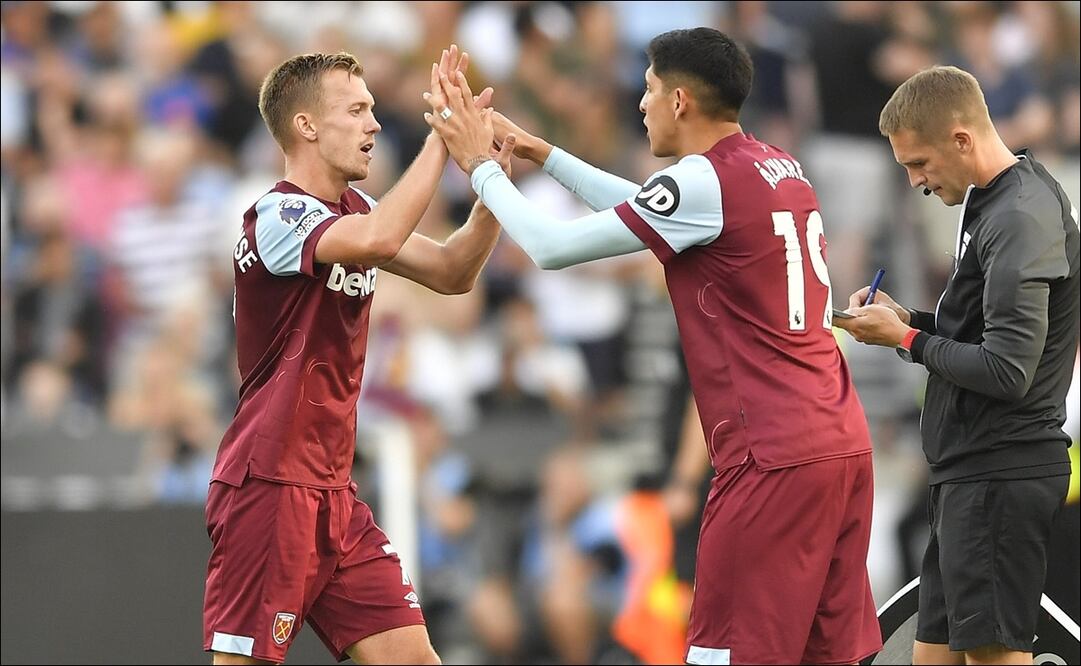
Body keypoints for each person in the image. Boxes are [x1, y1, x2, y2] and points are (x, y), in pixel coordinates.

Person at [426, 27, 882, 665]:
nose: (639, 104)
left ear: (679, 102)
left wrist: (479, 168)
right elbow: (651, 211)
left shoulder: (700, 182)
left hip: (769, 455)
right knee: (827, 655)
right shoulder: (777, 165)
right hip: (840, 441)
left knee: (725, 655)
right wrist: (543, 153)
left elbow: (552, 247)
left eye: (647, 89)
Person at [202, 46, 515, 665]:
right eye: (358, 109)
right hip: (269, 482)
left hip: (333, 492)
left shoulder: (358, 210)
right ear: (307, 126)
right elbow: (380, 240)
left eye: (373, 109)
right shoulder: (275, 214)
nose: (374, 124)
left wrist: (489, 186)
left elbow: (453, 272)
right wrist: (442, 138)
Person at [835, 65, 1080, 666]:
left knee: (994, 660)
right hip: (968, 474)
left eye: (919, 163)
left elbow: (1007, 370)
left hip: (1000, 473)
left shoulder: (1019, 216)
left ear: (961, 139)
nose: (915, 180)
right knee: (932, 659)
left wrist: (909, 341)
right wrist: (907, 321)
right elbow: (978, 329)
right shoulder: (992, 199)